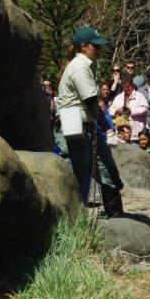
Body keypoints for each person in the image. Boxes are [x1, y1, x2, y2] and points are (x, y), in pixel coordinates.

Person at [56, 26, 124, 216]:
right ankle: (74, 218)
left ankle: (115, 213)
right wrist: (108, 128)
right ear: (84, 46)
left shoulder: (88, 64)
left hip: (87, 124)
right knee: (79, 174)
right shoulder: (79, 67)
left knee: (106, 166)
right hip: (74, 127)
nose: (99, 49)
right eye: (96, 46)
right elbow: (91, 101)